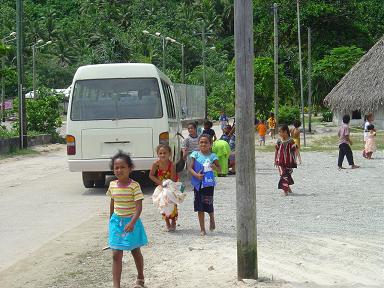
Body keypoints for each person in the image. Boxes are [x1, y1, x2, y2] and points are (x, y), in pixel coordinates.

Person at [107, 151, 148, 288]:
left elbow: (139, 207)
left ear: (130, 168)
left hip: (132, 222)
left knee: (135, 251)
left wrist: (132, 222)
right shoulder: (112, 185)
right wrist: (110, 220)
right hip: (116, 223)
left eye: (122, 167)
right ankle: (116, 285)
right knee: (116, 254)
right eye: (116, 167)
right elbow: (113, 202)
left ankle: (140, 277)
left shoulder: (134, 186)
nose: (119, 170)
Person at [188, 134, 221, 236]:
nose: (203, 144)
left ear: (210, 144)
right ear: (198, 144)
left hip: (208, 185)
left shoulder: (212, 156)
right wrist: (196, 175)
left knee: (208, 203)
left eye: (206, 142)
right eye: (201, 142)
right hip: (198, 184)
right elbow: (190, 168)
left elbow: (220, 169)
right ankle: (202, 229)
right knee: (199, 206)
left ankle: (212, 218)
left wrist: (213, 166)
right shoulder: (195, 154)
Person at [149, 144, 179, 231]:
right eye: (160, 153)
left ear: (169, 154)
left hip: (171, 185)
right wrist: (160, 183)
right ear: (157, 154)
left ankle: (173, 220)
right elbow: (151, 175)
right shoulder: (156, 164)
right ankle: (167, 221)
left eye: (164, 153)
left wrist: (167, 185)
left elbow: (173, 178)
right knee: (163, 204)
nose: (162, 155)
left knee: (172, 203)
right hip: (161, 185)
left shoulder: (172, 164)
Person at [274, 125, 297, 196]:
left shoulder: (291, 141)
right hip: (280, 161)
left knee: (287, 175)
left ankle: (287, 189)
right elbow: (276, 150)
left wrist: (295, 159)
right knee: (283, 175)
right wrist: (275, 160)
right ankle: (285, 191)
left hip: (289, 162)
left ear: (285, 132)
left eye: (280, 132)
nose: (279, 133)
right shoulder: (279, 141)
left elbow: (295, 151)